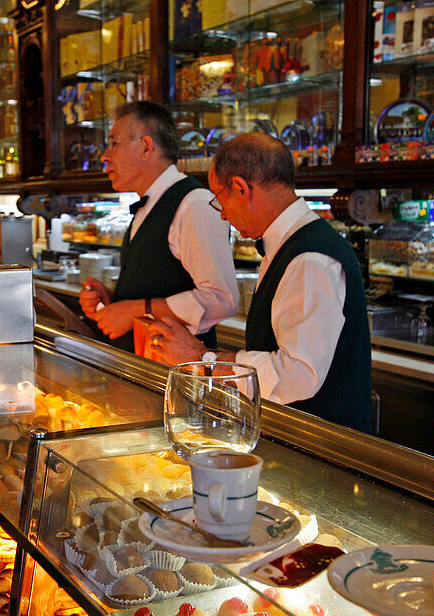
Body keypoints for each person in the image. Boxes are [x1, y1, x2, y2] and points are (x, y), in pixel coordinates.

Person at [147, 132, 373, 433]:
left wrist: (202, 359)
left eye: (219, 199)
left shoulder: (310, 259)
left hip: (322, 447)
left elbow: (296, 374)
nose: (224, 215)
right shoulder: (292, 244)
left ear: (241, 188)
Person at [78, 101, 237, 352]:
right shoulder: (148, 203)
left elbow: (220, 299)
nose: (104, 156)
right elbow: (161, 284)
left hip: (175, 377)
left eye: (114, 143)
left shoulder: (194, 203)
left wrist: (132, 310)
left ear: (146, 147)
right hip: (141, 369)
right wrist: (115, 300)